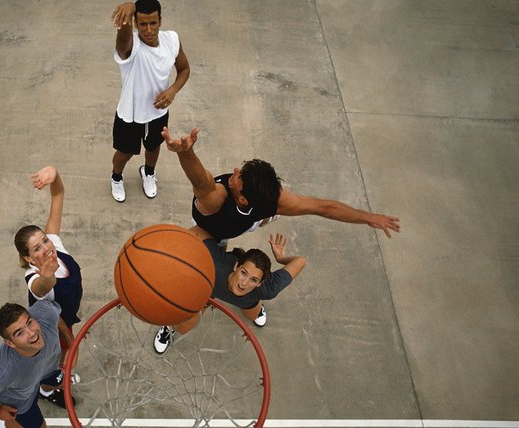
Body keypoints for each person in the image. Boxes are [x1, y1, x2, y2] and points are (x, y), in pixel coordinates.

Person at [162, 127, 401, 246]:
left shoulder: (272, 200)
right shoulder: (217, 198)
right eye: (240, 171)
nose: (234, 171)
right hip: (209, 225)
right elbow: (201, 181)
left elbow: (326, 208)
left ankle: (262, 220)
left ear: (244, 199)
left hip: (249, 218)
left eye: (238, 177)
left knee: (259, 219)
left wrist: (368, 218)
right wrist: (186, 153)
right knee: (202, 250)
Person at [153, 227, 307, 354]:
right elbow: (198, 232)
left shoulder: (268, 289)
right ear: (236, 266)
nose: (244, 283)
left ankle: (257, 308)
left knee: (253, 314)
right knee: (184, 326)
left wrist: (281, 258)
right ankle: (169, 326)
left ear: (260, 283)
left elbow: (300, 261)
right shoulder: (214, 263)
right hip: (208, 291)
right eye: (243, 273)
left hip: (247, 301)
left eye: (253, 280)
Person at [108, 0, 190, 202]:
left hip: (158, 112)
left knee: (153, 148)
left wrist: (172, 90)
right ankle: (116, 177)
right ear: (135, 24)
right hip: (130, 113)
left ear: (160, 21)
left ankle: (149, 173)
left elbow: (184, 69)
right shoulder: (131, 46)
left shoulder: (171, 39)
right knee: (124, 153)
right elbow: (123, 41)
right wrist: (128, 12)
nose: (149, 29)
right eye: (143, 24)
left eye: (153, 23)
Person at [0, 299, 75, 428]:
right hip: (20, 398)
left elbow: (57, 317)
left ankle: (45, 393)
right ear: (10, 343)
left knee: (58, 382)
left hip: (48, 368)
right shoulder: (0, 369)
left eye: (30, 323)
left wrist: (72, 344)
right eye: (20, 333)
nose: (32, 333)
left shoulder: (45, 312)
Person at [14, 166, 82, 376]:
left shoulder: (54, 244)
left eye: (44, 240)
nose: (46, 247)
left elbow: (58, 194)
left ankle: (57, 371)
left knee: (62, 353)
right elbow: (42, 287)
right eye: (37, 248)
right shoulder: (34, 278)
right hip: (51, 326)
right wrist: (47, 275)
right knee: (53, 358)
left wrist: (55, 175)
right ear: (28, 258)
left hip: (66, 315)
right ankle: (48, 386)